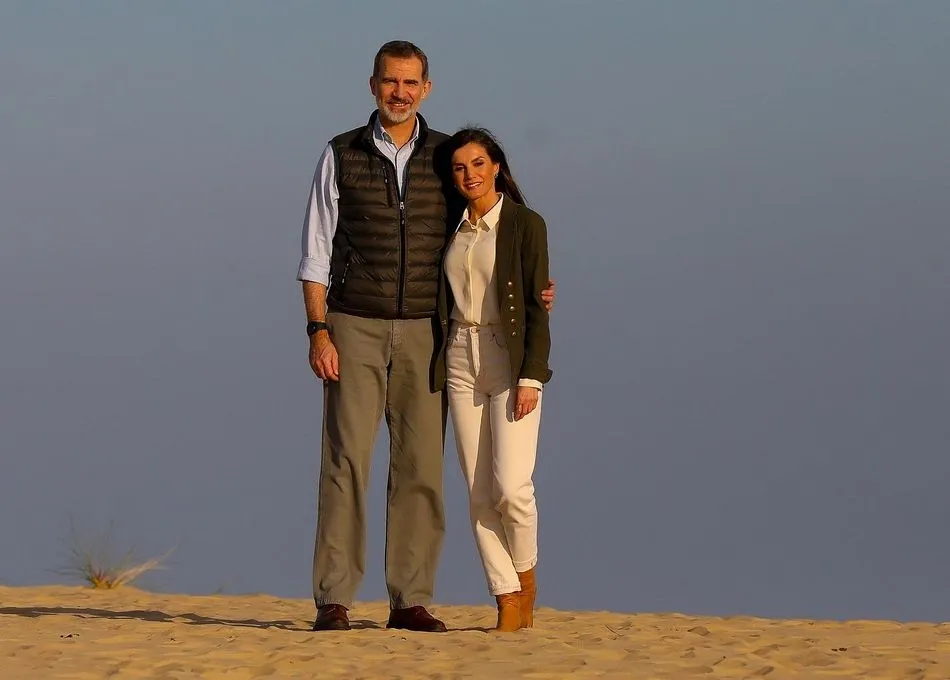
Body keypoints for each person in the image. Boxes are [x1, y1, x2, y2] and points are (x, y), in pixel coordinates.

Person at [297, 41, 554, 633]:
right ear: (372, 85)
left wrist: (531, 284)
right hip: (353, 324)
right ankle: (334, 598)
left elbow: (493, 227)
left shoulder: (444, 157)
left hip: (427, 331)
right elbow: (314, 253)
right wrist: (318, 330)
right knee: (346, 462)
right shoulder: (340, 154)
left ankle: (409, 599)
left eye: (411, 83)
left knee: (419, 467)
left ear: (427, 89)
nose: (400, 93)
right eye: (390, 82)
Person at [434, 128, 552, 632]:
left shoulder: (526, 223)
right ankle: (505, 599)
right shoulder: (449, 227)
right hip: (460, 355)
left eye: (478, 164)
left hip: (509, 359)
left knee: (511, 486)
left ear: (497, 166)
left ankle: (526, 579)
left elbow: (536, 306)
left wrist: (532, 377)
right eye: (460, 167)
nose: (469, 175)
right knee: (478, 492)